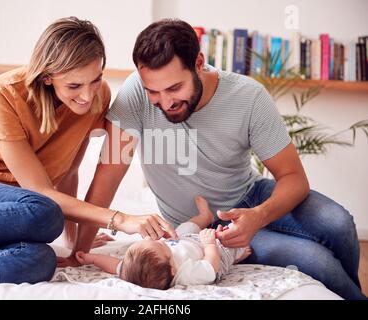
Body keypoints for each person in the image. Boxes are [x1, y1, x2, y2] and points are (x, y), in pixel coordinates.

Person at [74, 19, 366, 299]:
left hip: (251, 195)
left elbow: (293, 179)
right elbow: (108, 176)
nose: (165, 102)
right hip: (202, 230)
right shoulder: (135, 95)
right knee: (317, 261)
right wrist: (79, 251)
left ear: (199, 64)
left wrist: (259, 216)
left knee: (338, 223)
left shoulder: (248, 97)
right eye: (154, 91)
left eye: (175, 88)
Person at [0, 17, 176, 289]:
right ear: (48, 77)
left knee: (39, 260)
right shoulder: (4, 93)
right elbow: (41, 192)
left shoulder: (98, 95)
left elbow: (69, 172)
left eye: (95, 79)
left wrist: (77, 248)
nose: (87, 96)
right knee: (44, 210)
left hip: (6, 213)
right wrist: (120, 219)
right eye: (74, 86)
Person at [76, 196, 251, 289]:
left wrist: (91, 258)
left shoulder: (133, 269)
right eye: (161, 245)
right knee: (229, 242)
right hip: (209, 252)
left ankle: (205, 217)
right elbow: (210, 268)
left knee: (185, 228)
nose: (161, 241)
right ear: (173, 269)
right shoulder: (186, 275)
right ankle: (238, 255)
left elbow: (114, 265)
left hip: (184, 241)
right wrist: (210, 244)